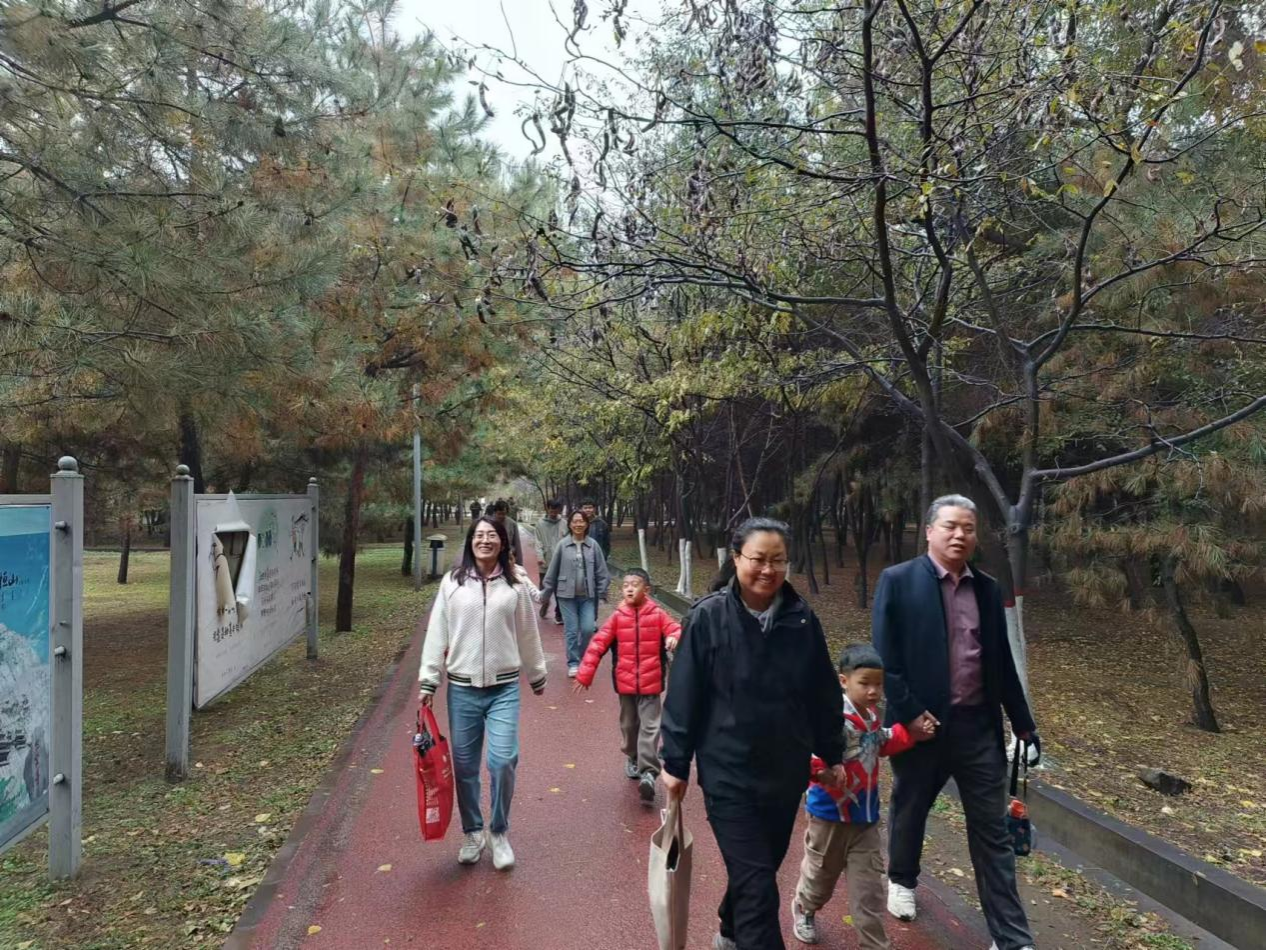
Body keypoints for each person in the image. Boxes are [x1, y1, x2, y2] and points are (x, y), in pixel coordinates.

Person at [660, 517, 846, 950]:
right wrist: (675, 762)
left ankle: (729, 929)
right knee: (758, 883)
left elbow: (822, 693)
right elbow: (684, 693)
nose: (768, 569)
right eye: (759, 559)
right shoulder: (708, 617)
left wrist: (832, 753)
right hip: (728, 773)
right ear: (736, 558)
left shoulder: (802, 620)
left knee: (760, 868)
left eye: (778, 560)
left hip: (784, 772)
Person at [872, 494, 1038, 950]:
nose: (959, 535)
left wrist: (1023, 723)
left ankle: (1010, 937)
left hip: (977, 728)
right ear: (929, 531)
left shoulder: (986, 588)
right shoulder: (898, 581)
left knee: (992, 832)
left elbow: (1000, 662)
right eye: (950, 526)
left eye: (968, 527)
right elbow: (885, 659)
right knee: (911, 806)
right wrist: (910, 714)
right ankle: (902, 879)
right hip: (921, 727)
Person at [418, 517, 547, 871]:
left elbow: (527, 631)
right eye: (479, 535)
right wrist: (429, 680)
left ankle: (499, 831)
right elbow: (437, 631)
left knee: (503, 761)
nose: (485, 540)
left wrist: (536, 673)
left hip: (504, 687)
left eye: (492, 535)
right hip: (462, 689)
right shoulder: (453, 582)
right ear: (470, 541)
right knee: (464, 767)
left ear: (503, 542)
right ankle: (473, 832)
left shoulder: (515, 583)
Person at [790, 644, 927, 947]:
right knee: (820, 879)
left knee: (870, 893)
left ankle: (874, 944)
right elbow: (805, 749)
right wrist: (821, 771)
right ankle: (805, 907)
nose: (873, 691)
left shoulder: (872, 717)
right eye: (865, 683)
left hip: (865, 820)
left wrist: (911, 733)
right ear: (844, 681)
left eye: (878, 684)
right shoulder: (831, 718)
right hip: (829, 817)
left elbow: (882, 742)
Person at [573, 568, 682, 802]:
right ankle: (632, 756)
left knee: (650, 727)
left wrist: (674, 636)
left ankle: (648, 773)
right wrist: (584, 674)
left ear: (647, 590)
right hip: (625, 684)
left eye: (635, 584)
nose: (630, 589)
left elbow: (675, 628)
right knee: (629, 726)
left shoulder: (657, 614)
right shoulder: (617, 617)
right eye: (626, 585)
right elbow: (598, 645)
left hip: (651, 684)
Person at [540, 510, 610, 678]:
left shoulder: (593, 545)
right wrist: (546, 593)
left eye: (581, 521)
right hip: (566, 596)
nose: (578, 524)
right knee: (571, 630)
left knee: (587, 629)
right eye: (575, 521)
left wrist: (602, 591)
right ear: (570, 524)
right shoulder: (562, 545)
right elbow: (552, 571)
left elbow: (602, 571)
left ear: (586, 524)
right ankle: (573, 662)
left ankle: (581, 656)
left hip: (588, 596)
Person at [534, 499, 567, 623]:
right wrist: (540, 556)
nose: (553, 512)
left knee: (560, 589)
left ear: (559, 510)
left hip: (560, 562)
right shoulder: (540, 524)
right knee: (545, 588)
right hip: (545, 561)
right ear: (547, 509)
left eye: (556, 509)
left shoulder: (564, 523)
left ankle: (559, 614)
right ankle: (545, 603)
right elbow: (538, 542)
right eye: (551, 509)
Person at [490, 499, 524, 566]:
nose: (501, 516)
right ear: (495, 512)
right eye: (499, 514)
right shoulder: (488, 523)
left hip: (508, 558)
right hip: (492, 557)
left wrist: (519, 563)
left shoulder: (512, 524)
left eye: (503, 514)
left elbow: (517, 544)